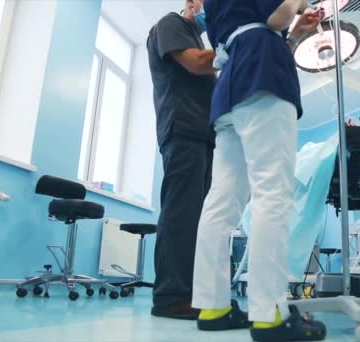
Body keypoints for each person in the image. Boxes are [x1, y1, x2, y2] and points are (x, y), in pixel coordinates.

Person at [191, 0, 327, 341]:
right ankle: (269, 313)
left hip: (232, 84)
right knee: (272, 192)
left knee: (222, 200)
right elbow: (275, 16)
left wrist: (293, 34)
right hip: (263, 73)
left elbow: (255, 26)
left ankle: (213, 306)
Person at [146, 0, 217, 320]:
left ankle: (190, 292)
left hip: (202, 134)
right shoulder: (171, 24)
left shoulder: (198, 37)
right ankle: (170, 297)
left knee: (197, 220)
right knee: (181, 215)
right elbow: (198, 64)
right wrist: (241, 44)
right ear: (192, 3)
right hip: (183, 129)